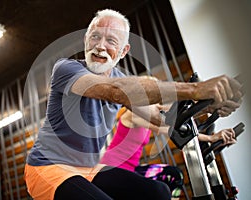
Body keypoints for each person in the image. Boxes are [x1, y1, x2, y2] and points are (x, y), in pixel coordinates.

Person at [24, 8, 243, 200]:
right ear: (85, 40)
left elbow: (157, 118)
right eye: (95, 37)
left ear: (123, 51)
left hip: (89, 168)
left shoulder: (120, 77)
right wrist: (195, 90)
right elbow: (115, 91)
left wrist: (207, 106)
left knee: (159, 192)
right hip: (48, 167)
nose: (100, 46)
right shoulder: (67, 69)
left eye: (111, 41)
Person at [100, 107, 237, 199]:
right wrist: (210, 138)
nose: (159, 104)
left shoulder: (149, 115)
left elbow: (174, 118)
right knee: (161, 188)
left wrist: (206, 107)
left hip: (132, 169)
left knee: (174, 175)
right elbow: (167, 128)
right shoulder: (133, 114)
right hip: (113, 167)